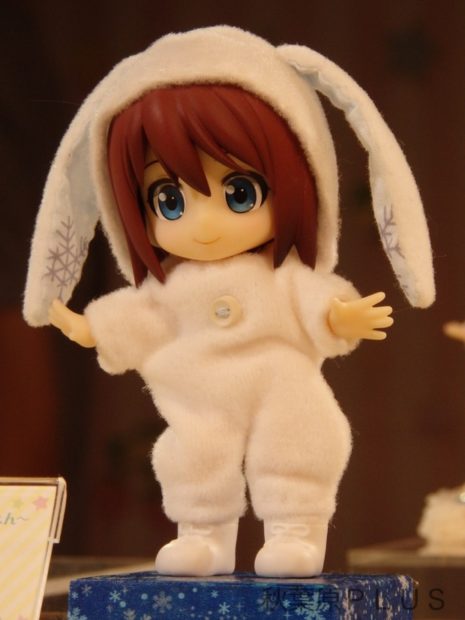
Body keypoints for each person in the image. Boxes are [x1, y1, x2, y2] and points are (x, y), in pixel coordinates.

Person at [23, 26, 435, 577]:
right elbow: (145, 315)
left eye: (239, 193)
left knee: (295, 442)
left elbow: (311, 302)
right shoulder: (171, 289)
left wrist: (338, 315)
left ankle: (295, 530)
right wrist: (93, 328)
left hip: (280, 382)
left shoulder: (279, 277)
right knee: (194, 455)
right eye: (169, 200)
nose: (205, 224)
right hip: (196, 394)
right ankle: (202, 535)